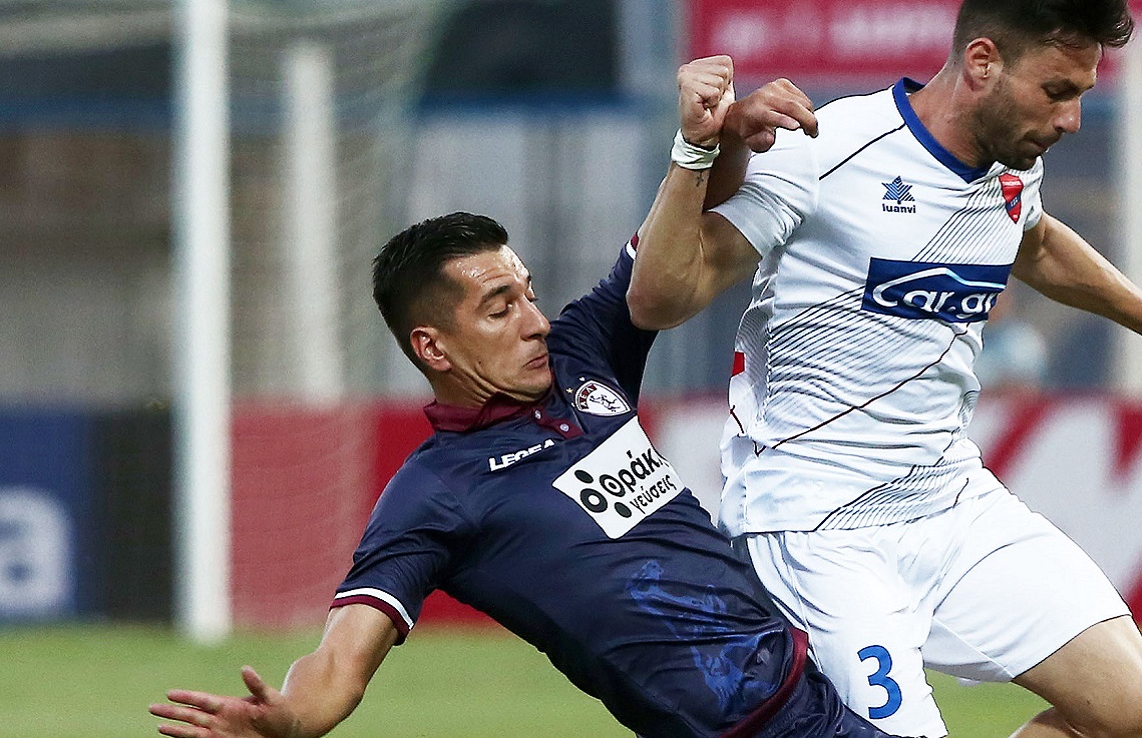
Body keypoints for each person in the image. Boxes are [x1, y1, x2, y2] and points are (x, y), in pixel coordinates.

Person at [148, 72, 898, 738]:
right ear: (434, 348)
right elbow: (341, 658)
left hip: (808, 681)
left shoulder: (581, 354)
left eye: (529, 294)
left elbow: (679, 237)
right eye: (499, 308)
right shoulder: (436, 492)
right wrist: (290, 717)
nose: (535, 321)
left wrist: (714, 143)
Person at [628, 0, 1142, 736]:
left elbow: (1036, 244)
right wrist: (696, 151)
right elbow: (660, 298)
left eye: (1080, 94)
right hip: (817, 523)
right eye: (1057, 91)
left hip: (949, 501)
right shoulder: (827, 150)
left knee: (1134, 716)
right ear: (983, 62)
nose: (1071, 119)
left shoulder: (1011, 169)